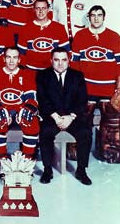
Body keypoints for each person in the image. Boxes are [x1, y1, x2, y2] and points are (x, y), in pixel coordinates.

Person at [71, 5, 120, 163]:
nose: (96, 18)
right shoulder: (80, 36)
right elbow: (74, 64)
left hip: (108, 89)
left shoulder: (114, 36)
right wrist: (75, 88)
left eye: (99, 15)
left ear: (104, 17)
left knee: (112, 125)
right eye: (93, 15)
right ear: (89, 17)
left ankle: (110, 153)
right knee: (81, 122)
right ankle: (79, 152)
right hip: (87, 88)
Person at [37, 47, 92, 185]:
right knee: (45, 132)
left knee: (85, 132)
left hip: (72, 117)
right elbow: (42, 100)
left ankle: (81, 170)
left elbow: (82, 100)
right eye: (56, 60)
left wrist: (70, 117)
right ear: (51, 61)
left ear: (69, 61)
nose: (60, 63)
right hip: (52, 117)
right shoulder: (43, 76)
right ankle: (47, 170)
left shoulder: (77, 76)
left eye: (64, 60)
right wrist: (56, 118)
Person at [0, 47, 39, 177]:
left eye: (15, 57)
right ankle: (3, 162)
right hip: (4, 110)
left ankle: (27, 162)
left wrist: (26, 109)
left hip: (20, 110)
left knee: (31, 123)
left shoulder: (27, 75)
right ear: (4, 59)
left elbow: (32, 98)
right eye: (8, 57)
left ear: (19, 59)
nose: (11, 61)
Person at [18, 0, 70, 70]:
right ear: (34, 9)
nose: (41, 11)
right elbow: (21, 53)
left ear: (48, 9)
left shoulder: (59, 28)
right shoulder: (25, 28)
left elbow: (66, 52)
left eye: (44, 8)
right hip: (31, 70)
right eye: (38, 8)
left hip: (52, 71)